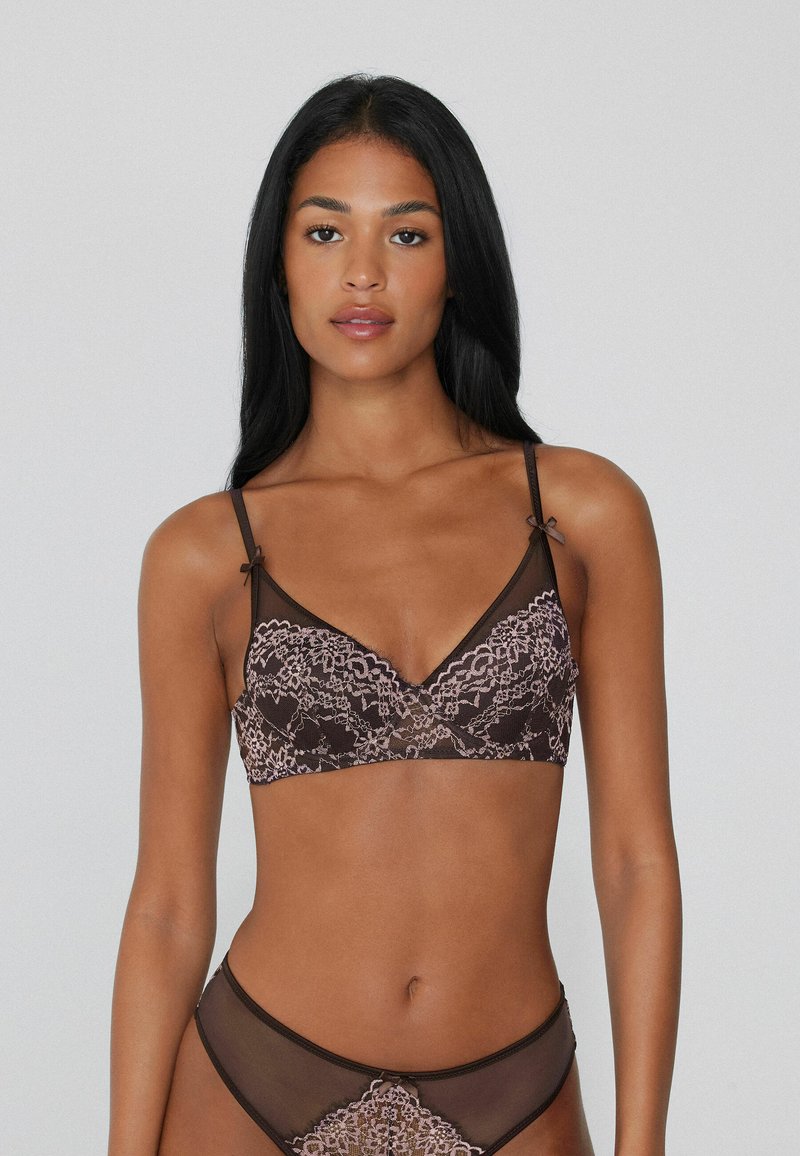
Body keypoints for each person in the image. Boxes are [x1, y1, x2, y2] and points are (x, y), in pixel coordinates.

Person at [108, 73, 682, 1156]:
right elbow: (169, 905)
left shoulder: (578, 513)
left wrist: (642, 1143)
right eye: (325, 232)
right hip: (255, 1086)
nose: (362, 272)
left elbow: (633, 860)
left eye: (406, 234)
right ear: (278, 265)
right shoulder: (206, 553)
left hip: (511, 1091)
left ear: (457, 265)